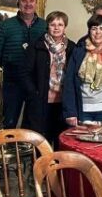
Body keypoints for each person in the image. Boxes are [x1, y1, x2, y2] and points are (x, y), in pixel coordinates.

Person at [0, 0, 47, 128]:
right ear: (18, 3)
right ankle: (9, 148)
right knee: (10, 119)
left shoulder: (45, 26)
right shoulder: (5, 26)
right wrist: (8, 64)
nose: (28, 4)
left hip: (37, 82)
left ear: (36, 3)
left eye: (31, 1)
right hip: (13, 81)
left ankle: (29, 149)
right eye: (24, 1)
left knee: (34, 121)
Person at [22, 11, 75, 146]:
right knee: (40, 142)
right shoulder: (36, 45)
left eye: (60, 24)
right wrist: (34, 93)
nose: (56, 28)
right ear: (48, 26)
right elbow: (25, 73)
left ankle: (58, 168)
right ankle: (41, 167)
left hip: (63, 102)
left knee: (60, 141)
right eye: (53, 24)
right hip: (41, 101)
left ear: (65, 27)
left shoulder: (72, 47)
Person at [62, 13, 102, 124]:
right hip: (82, 110)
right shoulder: (79, 50)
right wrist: (70, 112)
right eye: (94, 28)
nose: (97, 32)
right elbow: (69, 82)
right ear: (89, 31)